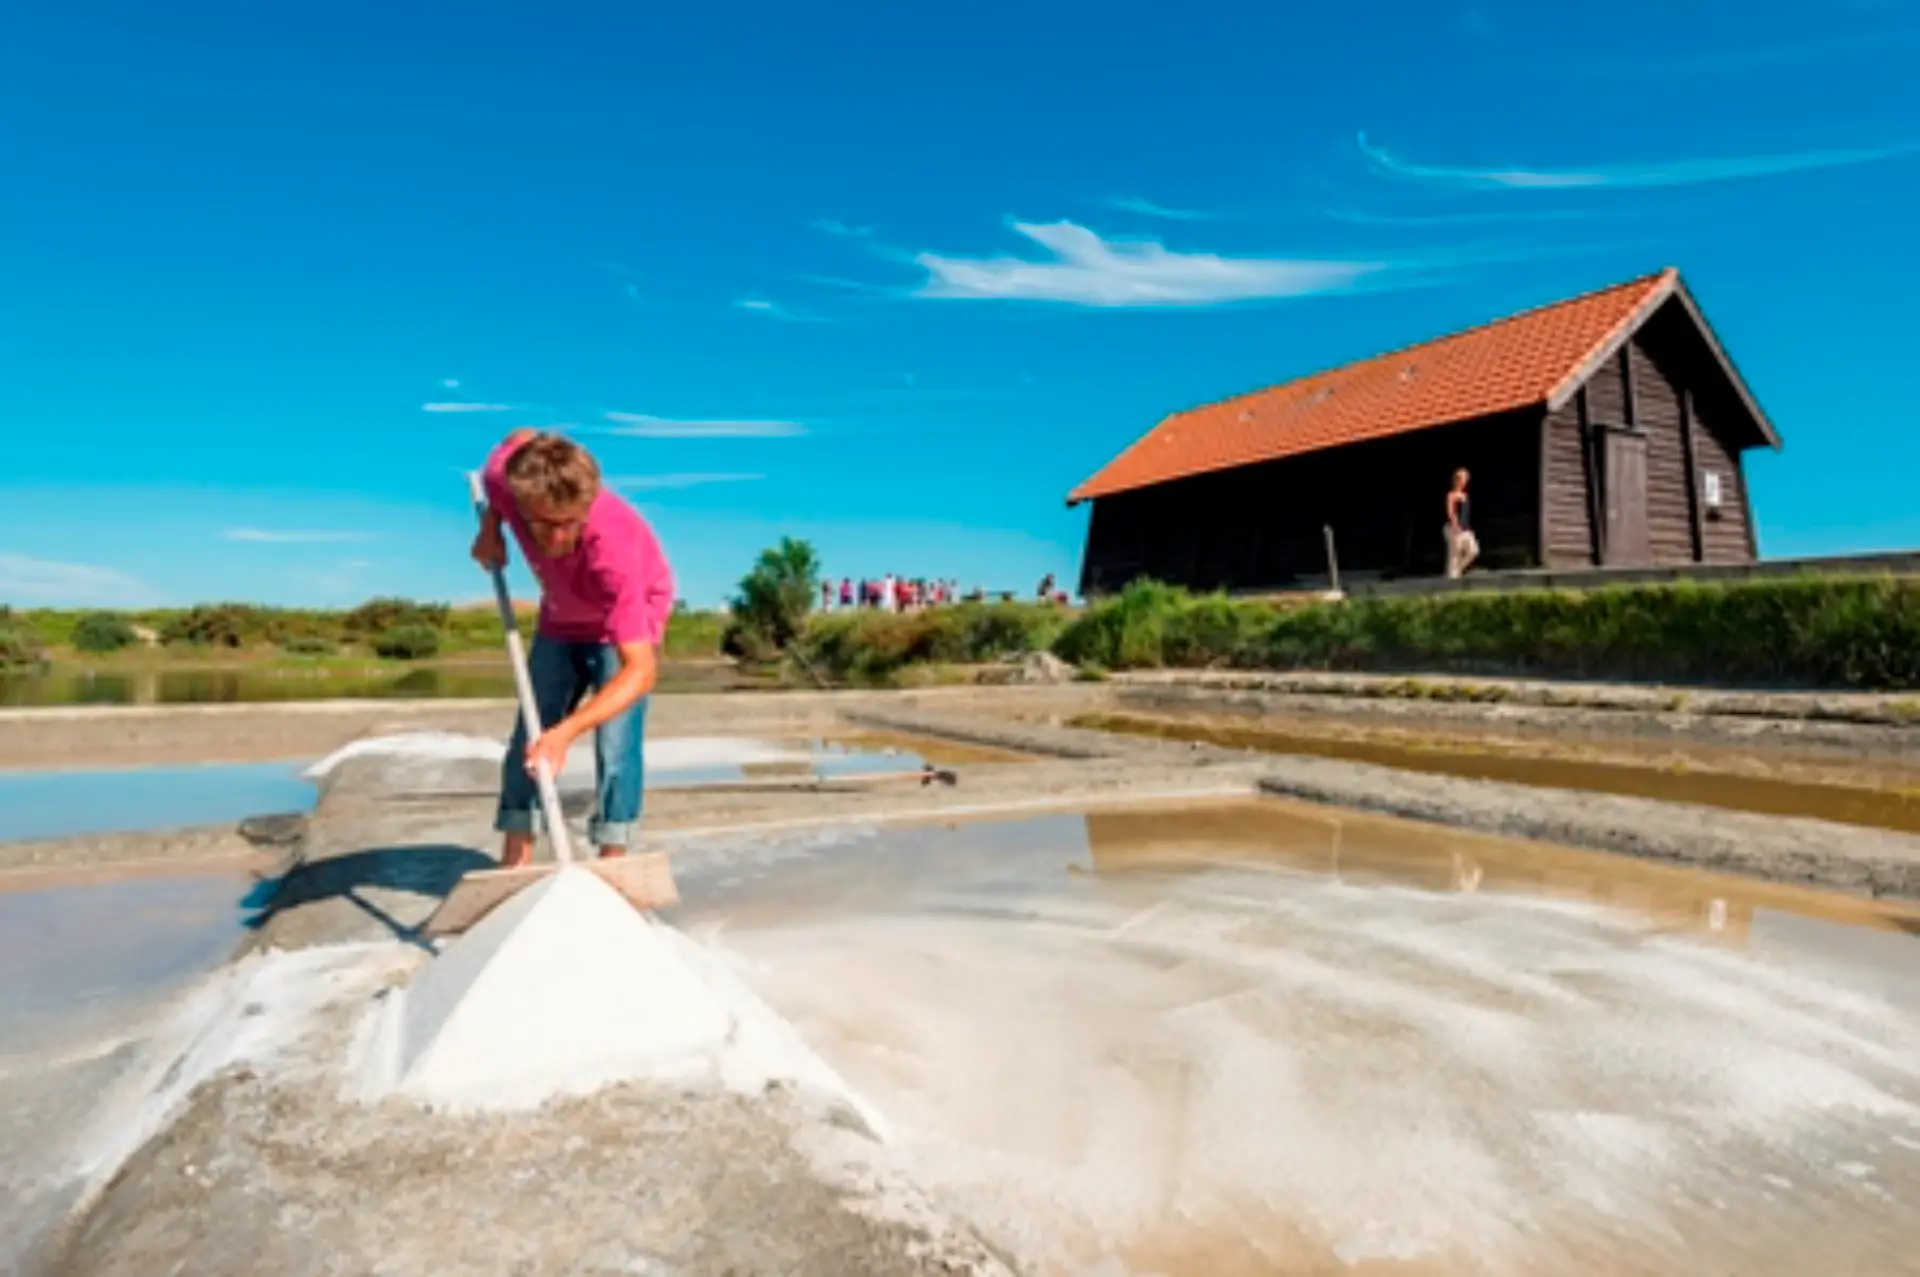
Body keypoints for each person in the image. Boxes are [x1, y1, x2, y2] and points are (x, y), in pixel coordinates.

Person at [470, 428, 673, 868]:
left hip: (622, 621)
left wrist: (567, 733)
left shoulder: (613, 548)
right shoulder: (504, 480)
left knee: (616, 744)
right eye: (545, 524)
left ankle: (614, 858)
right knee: (530, 735)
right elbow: (515, 439)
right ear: (522, 502)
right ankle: (515, 861)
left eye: (570, 524)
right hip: (560, 616)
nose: (559, 539)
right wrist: (491, 529)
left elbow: (640, 671)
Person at [1444, 467, 1479, 579]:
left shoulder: (1465, 496)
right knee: (1454, 554)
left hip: (1465, 528)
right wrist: (1455, 524)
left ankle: (1457, 570)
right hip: (1454, 527)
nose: (1465, 482)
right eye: (1463, 479)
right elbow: (1450, 511)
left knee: (1473, 550)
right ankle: (1452, 577)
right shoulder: (1451, 495)